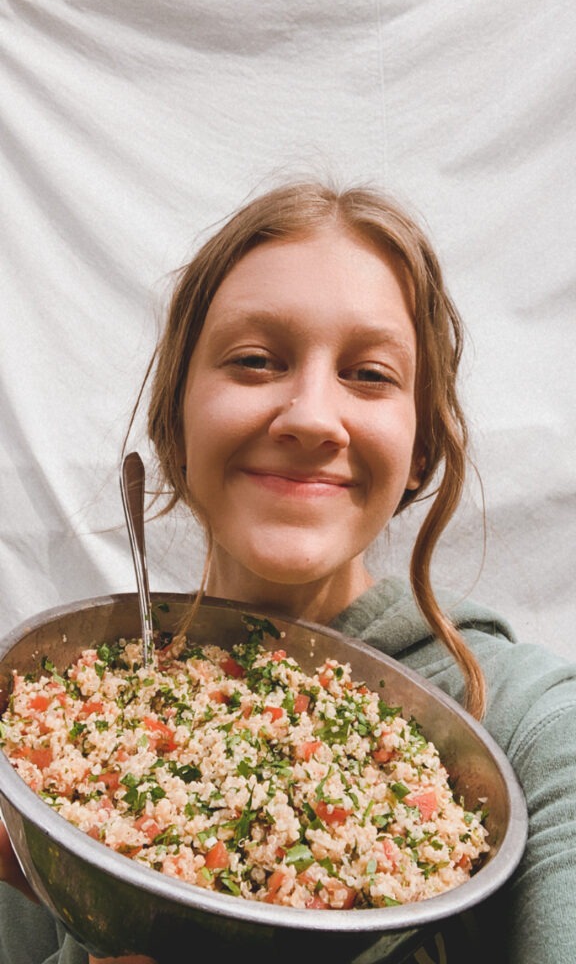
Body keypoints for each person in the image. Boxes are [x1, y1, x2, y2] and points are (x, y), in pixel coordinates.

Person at [0, 180, 574, 963]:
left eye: (370, 374)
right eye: (255, 361)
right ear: (175, 424)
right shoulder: (51, 718)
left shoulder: (535, 729)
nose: (309, 416)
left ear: (421, 452)